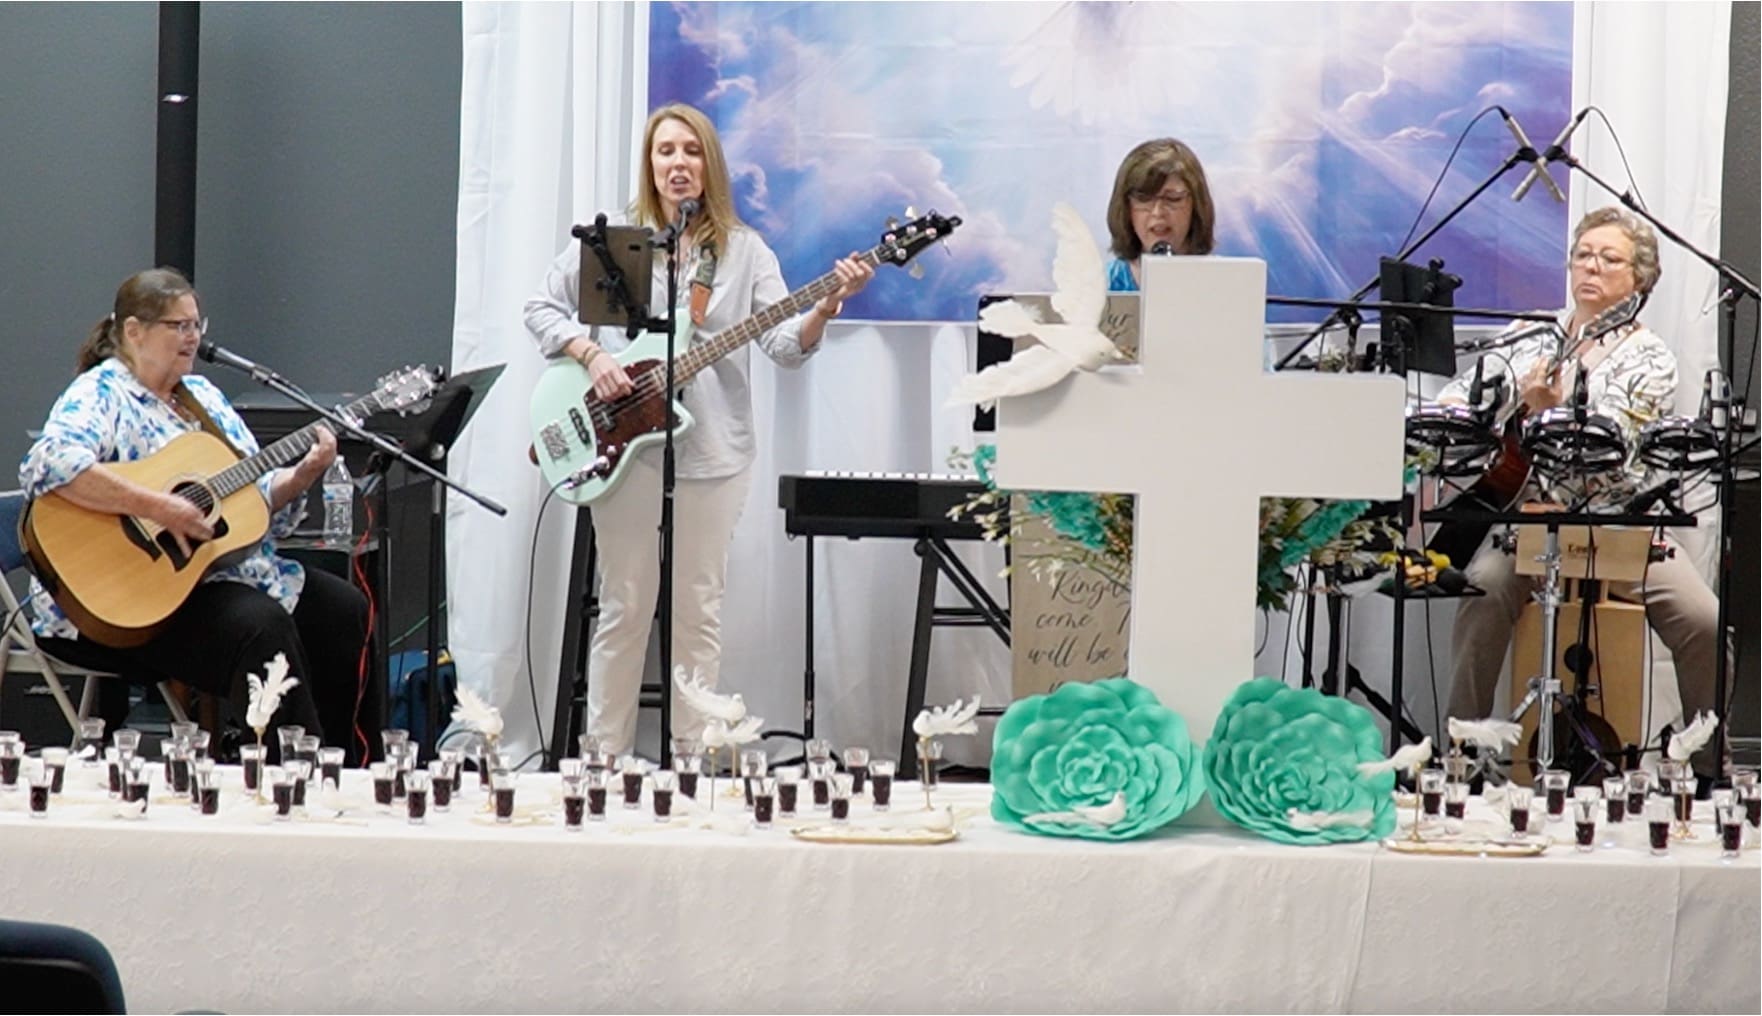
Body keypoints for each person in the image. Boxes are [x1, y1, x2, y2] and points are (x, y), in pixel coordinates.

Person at [524, 102, 873, 756]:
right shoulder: (617, 240)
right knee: (625, 609)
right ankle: (604, 763)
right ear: (649, 164)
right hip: (623, 449)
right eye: (665, 152)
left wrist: (823, 308)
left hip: (713, 453)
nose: (677, 163)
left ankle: (692, 764)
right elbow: (540, 307)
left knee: (696, 614)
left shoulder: (743, 251)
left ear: (709, 164)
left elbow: (782, 346)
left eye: (690, 151)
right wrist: (593, 355)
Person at [20, 267, 369, 761]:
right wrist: (160, 506)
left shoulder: (204, 398)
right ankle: (286, 779)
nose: (192, 337)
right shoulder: (101, 394)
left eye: (197, 325)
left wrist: (301, 477)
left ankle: (345, 768)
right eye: (177, 326)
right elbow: (49, 463)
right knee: (259, 626)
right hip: (121, 597)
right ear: (134, 331)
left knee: (341, 608)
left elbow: (252, 498)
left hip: (207, 578)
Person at [1437, 207, 1725, 778]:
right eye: (1583, 255)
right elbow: (1455, 403)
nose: (1591, 266)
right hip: (1527, 526)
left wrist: (1554, 417)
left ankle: (1706, 766)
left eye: (1609, 258)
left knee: (1703, 621)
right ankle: (1461, 760)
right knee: (1482, 593)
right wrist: (1517, 402)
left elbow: (1621, 456)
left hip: (1618, 528)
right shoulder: (1529, 334)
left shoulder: (1651, 358)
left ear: (1638, 280)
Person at [1103, 137, 1217, 291]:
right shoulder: (1104, 285)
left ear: (1196, 205)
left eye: (1173, 199)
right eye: (1144, 200)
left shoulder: (1221, 283)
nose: (1158, 212)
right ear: (1126, 207)